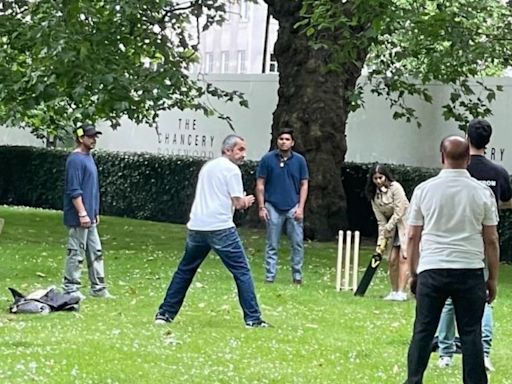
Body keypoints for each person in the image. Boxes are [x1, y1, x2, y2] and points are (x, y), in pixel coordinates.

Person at [405, 135, 499, 384]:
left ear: (441, 157)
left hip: (433, 268)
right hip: (469, 269)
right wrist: (492, 278)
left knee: (423, 331)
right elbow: (491, 239)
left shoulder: (424, 190)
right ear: (468, 158)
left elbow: (413, 235)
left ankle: (413, 379)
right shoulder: (482, 192)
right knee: (471, 333)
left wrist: (413, 272)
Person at [155, 135, 270, 328]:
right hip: (220, 227)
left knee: (185, 271)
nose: (243, 154)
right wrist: (247, 201)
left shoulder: (208, 167)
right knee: (242, 271)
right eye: (239, 150)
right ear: (227, 150)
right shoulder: (232, 170)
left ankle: (164, 314)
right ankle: (253, 319)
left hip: (197, 226)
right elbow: (238, 202)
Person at [437, 119, 512, 371]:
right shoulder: (498, 172)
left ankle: (445, 352)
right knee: (483, 299)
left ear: (467, 137)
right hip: (484, 242)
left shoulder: (456, 168)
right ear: (488, 140)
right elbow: (507, 201)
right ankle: (485, 350)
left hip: (458, 239)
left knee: (448, 300)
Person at [62, 123, 113, 300]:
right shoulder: (75, 160)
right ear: (80, 138)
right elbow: (74, 190)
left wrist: (94, 212)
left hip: (89, 216)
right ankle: (70, 288)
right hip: (79, 217)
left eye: (95, 137)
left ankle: (98, 288)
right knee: (76, 252)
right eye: (90, 137)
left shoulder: (88, 157)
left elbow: (92, 188)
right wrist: (82, 213)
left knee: (95, 251)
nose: (94, 140)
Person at [256, 128, 309, 284]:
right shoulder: (267, 159)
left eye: (287, 139)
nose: (283, 142)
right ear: (276, 141)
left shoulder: (299, 161)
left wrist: (300, 207)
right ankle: (270, 276)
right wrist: (261, 207)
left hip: (293, 206)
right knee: (272, 243)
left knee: (297, 243)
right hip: (272, 205)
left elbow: (304, 184)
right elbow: (260, 184)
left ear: (292, 142)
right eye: (281, 139)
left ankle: (297, 276)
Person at [365, 164, 409, 301]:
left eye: (381, 177)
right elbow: (380, 221)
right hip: (391, 227)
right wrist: (381, 241)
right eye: (375, 178)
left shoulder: (395, 188)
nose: (378, 181)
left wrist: (389, 226)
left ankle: (402, 291)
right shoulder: (374, 195)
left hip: (405, 222)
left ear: (386, 176)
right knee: (391, 260)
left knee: (403, 257)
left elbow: (400, 211)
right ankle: (394, 291)